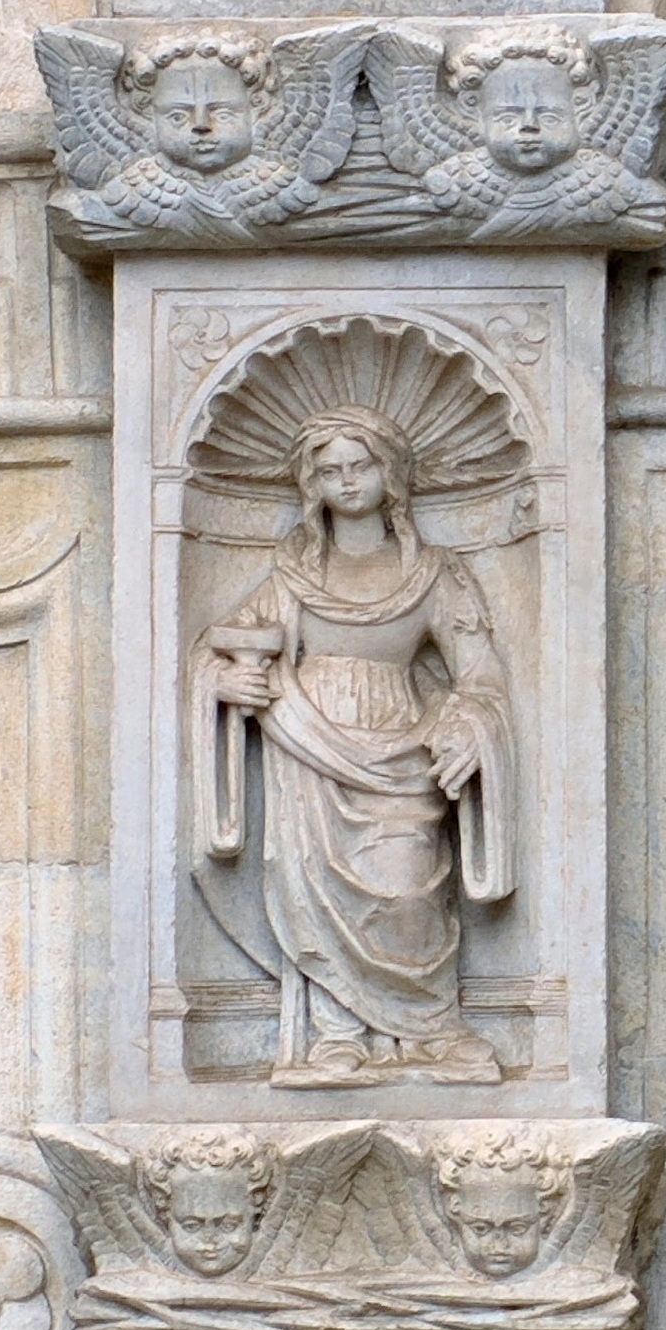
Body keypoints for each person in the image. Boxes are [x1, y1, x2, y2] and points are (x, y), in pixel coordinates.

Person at [197, 411, 514, 1085]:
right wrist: (227, 682)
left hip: (401, 751)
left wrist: (470, 725)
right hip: (307, 740)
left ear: (389, 472)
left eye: (360, 465)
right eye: (330, 469)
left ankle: (429, 1029)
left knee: (407, 890)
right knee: (312, 886)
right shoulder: (292, 574)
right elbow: (217, 651)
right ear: (312, 482)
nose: (346, 480)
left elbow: (481, 676)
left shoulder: (434, 573)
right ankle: (337, 1035)